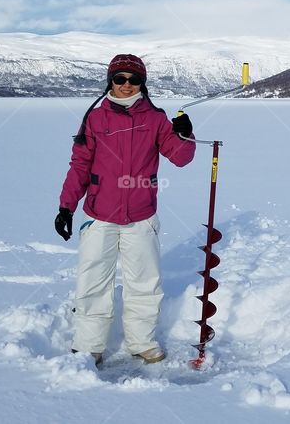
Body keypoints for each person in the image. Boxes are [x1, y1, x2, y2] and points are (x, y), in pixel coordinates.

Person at [54, 54, 195, 367]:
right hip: (98, 215)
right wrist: (67, 206)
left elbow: (181, 157)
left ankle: (142, 342)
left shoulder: (156, 118)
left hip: (141, 217)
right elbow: (79, 166)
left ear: (142, 83)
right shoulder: (94, 118)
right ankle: (89, 345)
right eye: (120, 79)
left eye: (134, 79)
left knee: (145, 283)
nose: (127, 85)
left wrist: (185, 133)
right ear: (110, 81)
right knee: (92, 283)